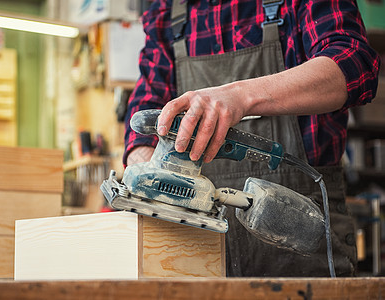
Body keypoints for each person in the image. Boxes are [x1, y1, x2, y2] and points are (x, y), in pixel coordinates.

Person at [124, 0, 380, 277]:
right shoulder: (166, 11)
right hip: (193, 249)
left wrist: (240, 96)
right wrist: (147, 168)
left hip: (300, 233)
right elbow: (146, 108)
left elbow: (354, 65)